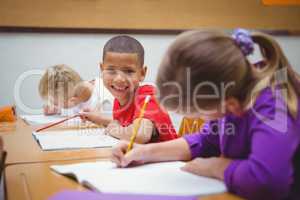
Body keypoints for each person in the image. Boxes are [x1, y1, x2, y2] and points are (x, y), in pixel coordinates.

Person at [110, 29, 300, 200]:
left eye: (198, 113)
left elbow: (266, 181)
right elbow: (206, 140)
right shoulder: (235, 89)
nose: (197, 119)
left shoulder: (274, 102)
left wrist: (217, 167)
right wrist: (144, 152)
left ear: (230, 104)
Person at [80, 35, 177, 143]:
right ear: (102, 69)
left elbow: (140, 135)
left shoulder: (147, 96)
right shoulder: (121, 99)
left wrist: (114, 129)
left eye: (129, 71)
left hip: (172, 160)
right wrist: (99, 118)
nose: (119, 79)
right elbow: (126, 124)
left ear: (142, 73)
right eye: (111, 70)